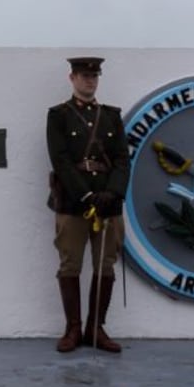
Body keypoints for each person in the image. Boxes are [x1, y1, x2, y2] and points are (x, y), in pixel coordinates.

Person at [46, 57, 129, 353]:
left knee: (105, 264)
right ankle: (73, 328)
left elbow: (121, 158)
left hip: (108, 202)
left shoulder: (110, 116)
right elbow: (61, 161)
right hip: (73, 201)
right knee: (70, 263)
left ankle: (97, 327)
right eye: (83, 76)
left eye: (94, 76)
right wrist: (87, 196)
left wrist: (113, 192)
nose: (90, 81)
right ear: (72, 78)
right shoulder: (58, 116)